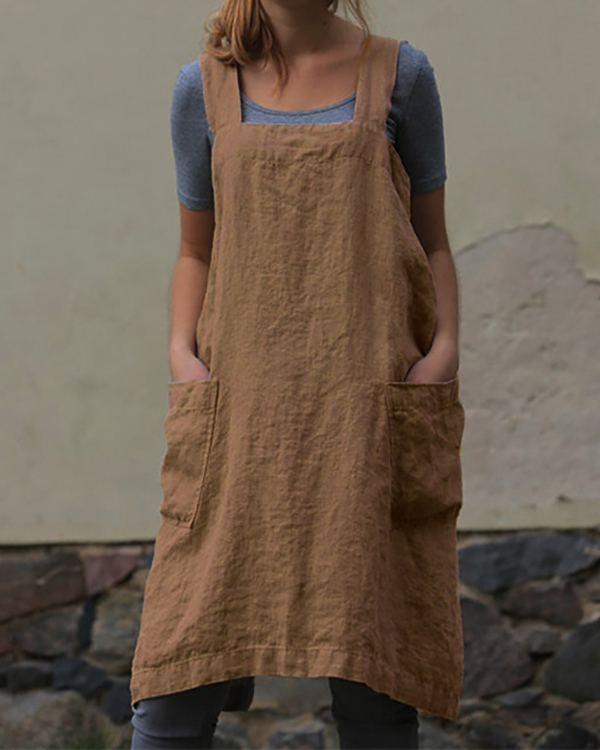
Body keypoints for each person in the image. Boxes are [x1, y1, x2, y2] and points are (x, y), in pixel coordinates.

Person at [130, 0, 466, 748]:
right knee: (175, 677)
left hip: (364, 417)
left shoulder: (401, 75)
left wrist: (443, 350)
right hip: (238, 419)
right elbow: (195, 249)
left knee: (376, 680)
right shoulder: (202, 87)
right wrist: (183, 357)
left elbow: (433, 239)